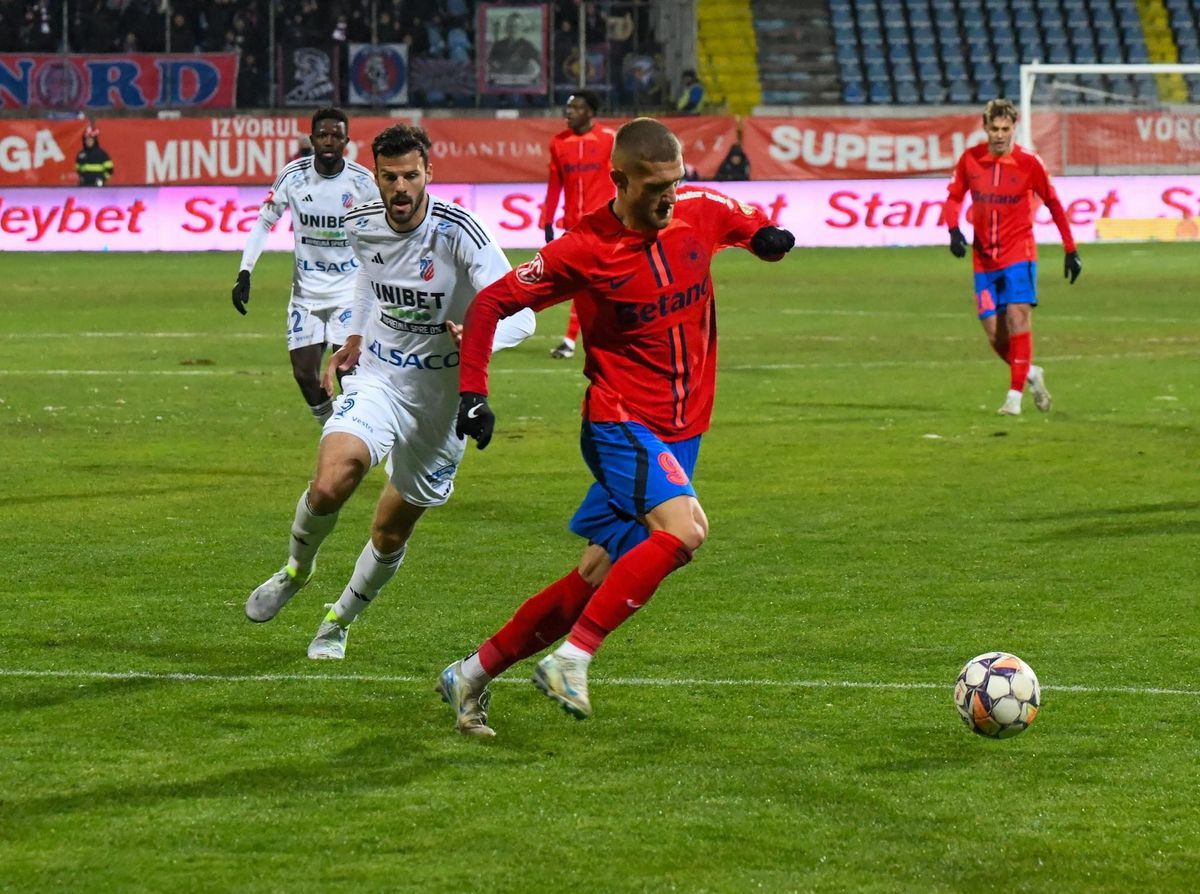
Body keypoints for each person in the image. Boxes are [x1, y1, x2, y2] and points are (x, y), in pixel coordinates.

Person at [438, 117, 795, 736]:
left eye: (676, 183)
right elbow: (491, 302)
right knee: (686, 531)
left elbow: (742, 218)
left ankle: (471, 673)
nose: (669, 196)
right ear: (620, 180)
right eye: (656, 186)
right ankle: (573, 659)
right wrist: (473, 393)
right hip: (620, 421)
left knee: (597, 575)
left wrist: (766, 236)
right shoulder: (585, 248)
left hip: (682, 431)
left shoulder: (699, 210)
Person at [243, 124, 536, 661]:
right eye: (388, 177)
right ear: (374, 177)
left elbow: (522, 316)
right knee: (333, 480)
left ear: (429, 174)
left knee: (389, 532)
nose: (399, 188)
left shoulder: (461, 233)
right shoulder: (362, 224)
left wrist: (480, 338)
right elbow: (365, 276)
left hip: (441, 403)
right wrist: (355, 335)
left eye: (410, 176)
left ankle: (337, 622)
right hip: (380, 378)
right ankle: (294, 570)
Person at [230, 108, 379, 426]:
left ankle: (356, 433)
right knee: (303, 374)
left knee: (348, 373)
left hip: (350, 291)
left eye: (336, 135)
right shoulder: (293, 176)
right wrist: (245, 271)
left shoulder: (363, 182)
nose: (329, 141)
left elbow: (385, 229)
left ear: (346, 142)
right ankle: (333, 430)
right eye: (322, 135)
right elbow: (263, 222)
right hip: (306, 294)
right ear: (312, 139)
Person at [942, 98, 1082, 416]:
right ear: (985, 128)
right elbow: (952, 198)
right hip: (984, 259)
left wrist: (1070, 249)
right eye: (994, 128)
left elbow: (1055, 205)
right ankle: (1031, 372)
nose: (1000, 134)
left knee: (1018, 319)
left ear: (1014, 128)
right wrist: (953, 230)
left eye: (1006, 129)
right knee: (993, 331)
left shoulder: (1030, 163)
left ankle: (1014, 397)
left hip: (1020, 253)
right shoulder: (970, 159)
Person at [538, 90, 617, 360]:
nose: (569, 112)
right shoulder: (558, 142)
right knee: (581, 282)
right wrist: (547, 220)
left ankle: (575, 340)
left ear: (590, 112)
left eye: (577, 108)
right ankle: (573, 340)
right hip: (574, 225)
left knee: (601, 282)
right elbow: (554, 184)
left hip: (605, 222)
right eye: (568, 107)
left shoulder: (609, 140)